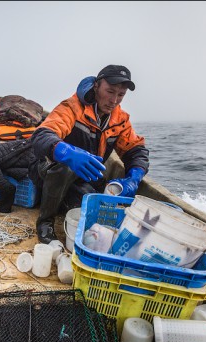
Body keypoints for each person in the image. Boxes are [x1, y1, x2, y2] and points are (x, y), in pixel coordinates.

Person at [28, 64, 149, 244]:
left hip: (87, 175)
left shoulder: (120, 119)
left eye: (121, 95)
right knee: (66, 170)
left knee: (92, 206)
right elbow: (41, 136)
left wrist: (135, 177)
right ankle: (45, 222)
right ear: (96, 86)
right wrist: (68, 153)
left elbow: (135, 150)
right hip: (51, 170)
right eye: (110, 91)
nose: (114, 100)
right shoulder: (71, 107)